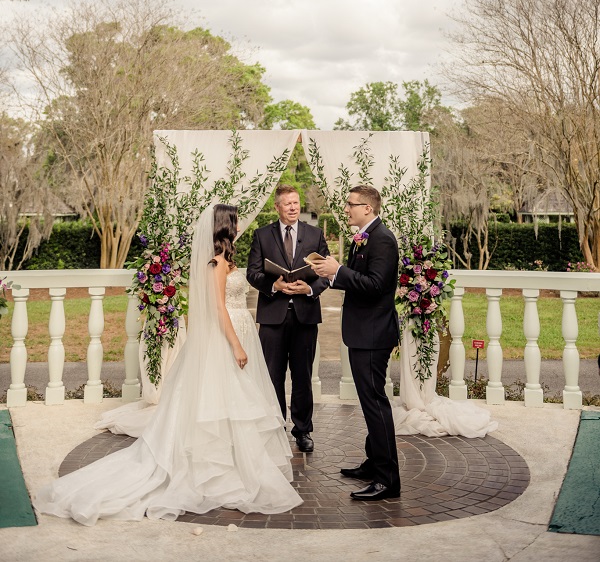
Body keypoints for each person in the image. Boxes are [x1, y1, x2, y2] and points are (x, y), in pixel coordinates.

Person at [34, 204, 302, 525]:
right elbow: (218, 308)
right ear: (225, 226)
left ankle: (236, 460)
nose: (240, 224)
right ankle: (216, 466)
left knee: (235, 401)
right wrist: (235, 345)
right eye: (236, 220)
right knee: (221, 397)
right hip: (225, 335)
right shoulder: (216, 263)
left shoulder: (228, 261)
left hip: (240, 327)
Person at [309, 185, 401, 501]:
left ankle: (388, 480)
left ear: (368, 208)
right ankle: (374, 462)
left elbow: (376, 285)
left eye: (351, 204)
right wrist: (333, 274)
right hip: (364, 331)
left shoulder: (383, 240)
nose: (346, 209)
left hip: (374, 334)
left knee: (375, 404)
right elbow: (359, 280)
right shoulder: (364, 236)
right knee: (369, 402)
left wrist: (339, 271)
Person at [246, 184, 329, 453]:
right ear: (277, 207)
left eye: (296, 203)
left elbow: (326, 273)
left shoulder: (315, 235)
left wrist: (310, 289)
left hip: (305, 315)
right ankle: (276, 427)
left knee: (303, 376)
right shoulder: (261, 235)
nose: (293, 207)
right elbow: (253, 273)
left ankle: (302, 430)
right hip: (273, 316)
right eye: (288, 204)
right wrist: (274, 286)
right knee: (272, 375)